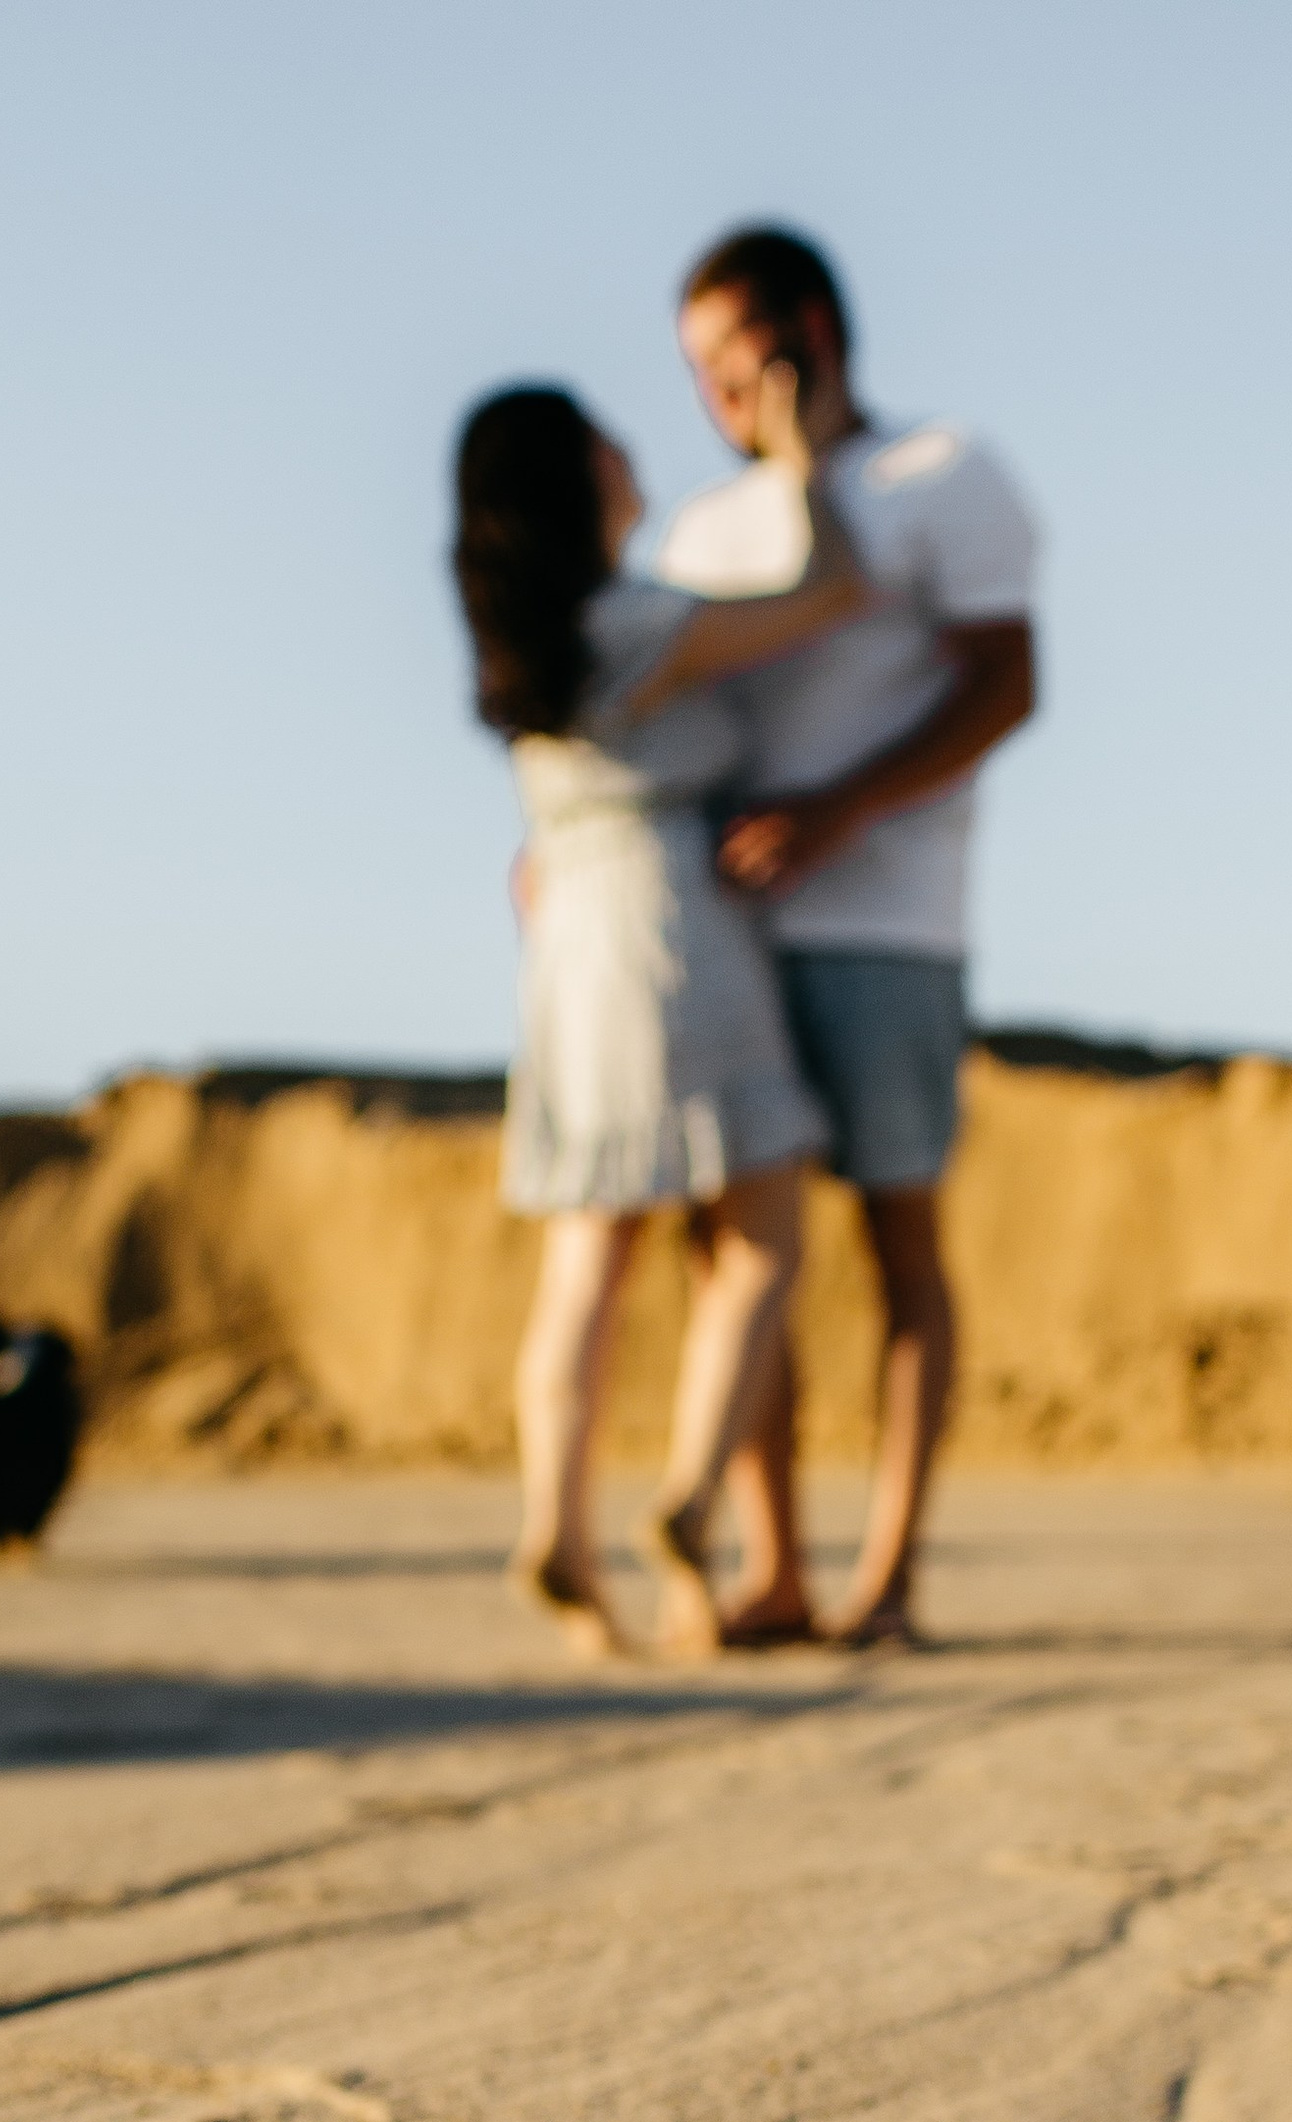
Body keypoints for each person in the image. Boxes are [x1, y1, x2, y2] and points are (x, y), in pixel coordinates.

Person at [451, 368, 871, 1654]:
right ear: (573, 483)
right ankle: (689, 1498)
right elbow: (831, 595)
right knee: (759, 1238)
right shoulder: (638, 623)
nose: (629, 452)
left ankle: (556, 1530)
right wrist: (802, 465)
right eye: (605, 443)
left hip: (564, 945)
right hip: (669, 929)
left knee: (587, 1260)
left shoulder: (521, 655)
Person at [661, 224, 1040, 1647]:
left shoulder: (947, 473)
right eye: (693, 368)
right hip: (730, 940)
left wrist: (843, 810)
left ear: (810, 332)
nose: (714, 391)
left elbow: (1006, 685)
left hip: (892, 927)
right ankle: (774, 1567)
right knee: (738, 1259)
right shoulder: (701, 532)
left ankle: (887, 1575)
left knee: (900, 1245)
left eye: (731, 356)